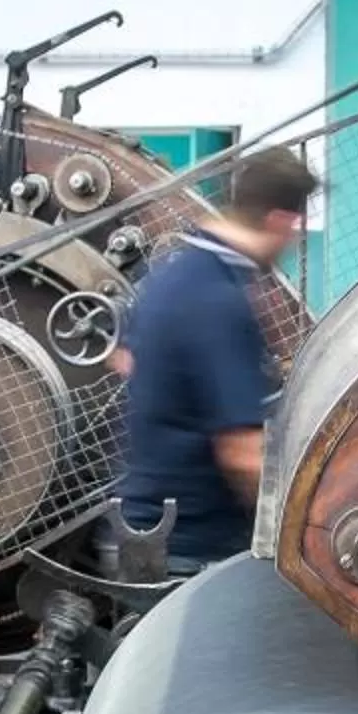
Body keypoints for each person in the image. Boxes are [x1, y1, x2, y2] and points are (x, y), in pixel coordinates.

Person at [106, 149, 318, 573]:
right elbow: (242, 453)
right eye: (296, 229)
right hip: (187, 551)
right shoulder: (219, 300)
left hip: (144, 530)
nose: (294, 240)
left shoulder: (171, 273)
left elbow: (123, 359)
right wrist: (305, 534)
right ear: (281, 221)